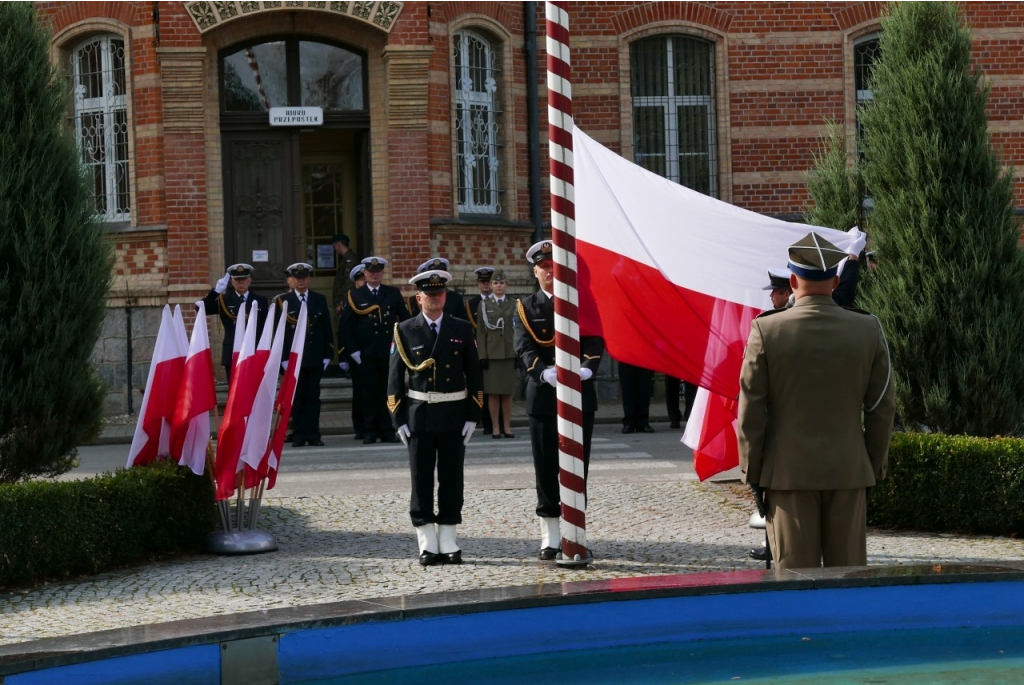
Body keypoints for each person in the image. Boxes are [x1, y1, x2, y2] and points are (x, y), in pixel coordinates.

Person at [738, 232, 895, 569]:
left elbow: (752, 407)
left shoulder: (767, 330)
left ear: (793, 280)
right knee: (848, 580)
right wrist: (872, 465)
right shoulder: (867, 329)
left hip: (787, 475)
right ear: (836, 280)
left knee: (795, 583)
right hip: (849, 472)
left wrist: (752, 471)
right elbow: (881, 406)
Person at [514, 240, 604, 561]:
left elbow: (594, 340)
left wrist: (587, 369)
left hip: (579, 397)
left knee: (577, 468)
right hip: (542, 398)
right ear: (535, 271)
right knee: (546, 467)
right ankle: (550, 537)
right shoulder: (526, 306)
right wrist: (543, 373)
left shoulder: (582, 303)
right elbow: (524, 348)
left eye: (557, 267)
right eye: (545, 268)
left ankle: (575, 533)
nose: (552, 273)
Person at [388, 269, 483, 566]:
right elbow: (394, 378)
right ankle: (427, 541)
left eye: (440, 293)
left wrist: (473, 415)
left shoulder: (461, 328)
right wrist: (398, 418)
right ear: (418, 298)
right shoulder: (404, 329)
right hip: (420, 415)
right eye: (429, 295)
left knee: (453, 478)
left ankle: (449, 539)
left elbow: (474, 373)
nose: (435, 299)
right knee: (421, 479)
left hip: (454, 414)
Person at [339, 256, 408, 444]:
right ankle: (369, 430)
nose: (374, 274)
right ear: (365, 273)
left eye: (378, 272)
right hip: (365, 352)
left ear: (382, 273)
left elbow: (405, 320)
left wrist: (402, 347)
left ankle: (387, 429)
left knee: (388, 391)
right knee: (368, 392)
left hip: (388, 350)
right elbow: (347, 326)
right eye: (371, 272)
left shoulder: (392, 293)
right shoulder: (355, 295)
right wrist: (353, 351)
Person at [277, 263, 335, 447]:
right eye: (297, 277)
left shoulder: (319, 299)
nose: (301, 280)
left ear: (309, 279)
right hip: (293, 359)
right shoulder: (283, 301)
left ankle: (314, 434)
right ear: (291, 279)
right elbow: (279, 333)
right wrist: (283, 358)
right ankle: (299, 434)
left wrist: (328, 353)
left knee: (313, 398)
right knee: (297, 398)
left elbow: (326, 327)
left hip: (315, 356)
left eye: (304, 277)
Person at [199, 263, 268, 383]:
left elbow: (265, 328)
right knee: (234, 390)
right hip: (232, 351)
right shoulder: (224, 299)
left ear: (250, 280)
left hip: (254, 351)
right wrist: (216, 292)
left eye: (244, 279)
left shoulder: (260, 300)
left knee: (254, 390)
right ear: (232, 282)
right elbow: (201, 309)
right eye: (237, 279)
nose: (241, 282)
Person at [476, 269, 516, 439]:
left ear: (506, 285)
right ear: (491, 285)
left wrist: (519, 353)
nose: (498, 286)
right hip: (492, 354)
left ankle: (507, 426)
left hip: (509, 353)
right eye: (495, 283)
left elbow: (519, 330)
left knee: (507, 393)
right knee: (492, 393)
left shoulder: (515, 304)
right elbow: (480, 332)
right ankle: (495, 427)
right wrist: (482, 356)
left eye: (501, 283)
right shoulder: (484, 305)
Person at [465, 266, 497, 435]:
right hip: (479, 351)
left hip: (499, 350)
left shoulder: (501, 300)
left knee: (499, 388)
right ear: (477, 284)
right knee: (482, 388)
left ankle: (498, 423)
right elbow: (470, 330)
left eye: (488, 281)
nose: (485, 285)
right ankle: (487, 423)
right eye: (482, 281)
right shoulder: (471, 304)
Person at [338, 264, 367, 440]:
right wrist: (344, 355)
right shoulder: (350, 299)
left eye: (365, 279)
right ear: (355, 282)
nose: (364, 282)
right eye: (361, 280)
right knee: (359, 392)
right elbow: (344, 330)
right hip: (356, 352)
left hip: (373, 351)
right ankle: (360, 426)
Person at [619, 361, 655, 433]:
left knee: (644, 390)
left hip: (644, 358)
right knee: (628, 389)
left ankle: (643, 422)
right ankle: (629, 421)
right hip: (626, 358)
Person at [331, 233, 362, 315]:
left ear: (339, 245)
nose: (335, 249)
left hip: (346, 302)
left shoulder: (350, 260)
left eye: (334, 246)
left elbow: (349, 284)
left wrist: (342, 303)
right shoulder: (345, 259)